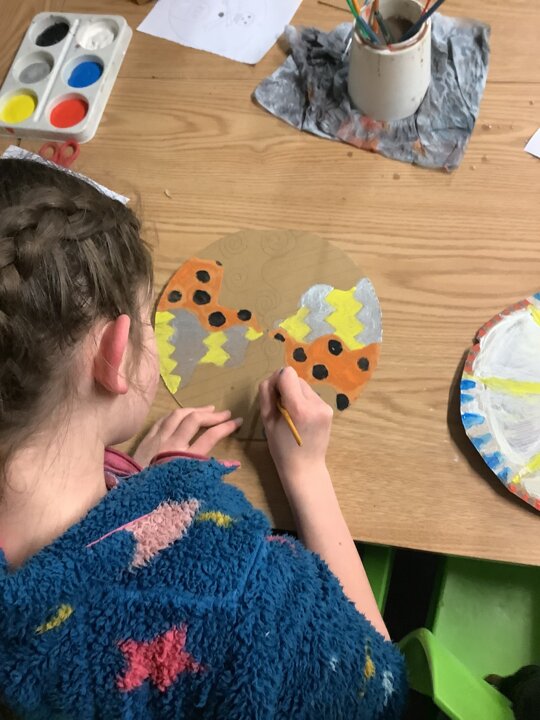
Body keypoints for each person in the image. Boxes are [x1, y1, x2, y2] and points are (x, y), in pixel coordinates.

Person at [0, 158, 407, 719]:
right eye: (147, 323)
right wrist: (306, 474)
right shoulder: (239, 591)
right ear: (114, 357)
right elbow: (378, 688)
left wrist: (136, 491)